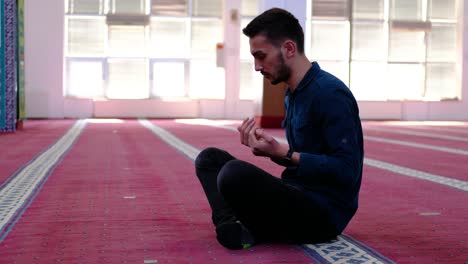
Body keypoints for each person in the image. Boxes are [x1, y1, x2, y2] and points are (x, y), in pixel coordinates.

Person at [195, 7, 364, 250]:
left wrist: (285, 154)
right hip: (296, 193)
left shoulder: (330, 94)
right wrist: (271, 151)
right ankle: (233, 226)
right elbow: (303, 159)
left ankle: (243, 227)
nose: (256, 66)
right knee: (209, 159)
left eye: (261, 56)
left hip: (323, 213)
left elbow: (348, 171)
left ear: (288, 49)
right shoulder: (292, 94)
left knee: (234, 174)